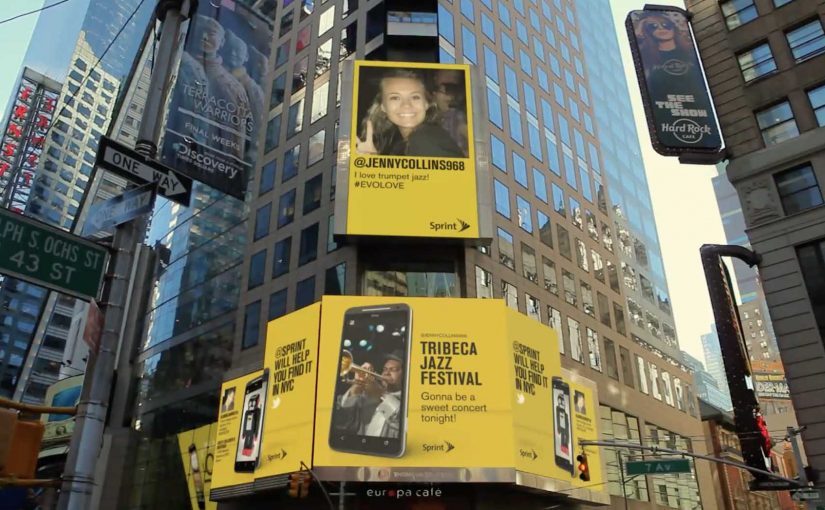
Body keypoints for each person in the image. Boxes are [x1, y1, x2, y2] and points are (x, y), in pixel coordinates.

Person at [356, 69, 464, 158]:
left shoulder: (424, 139)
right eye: (395, 97)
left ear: (426, 103)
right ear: (383, 106)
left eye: (415, 97)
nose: (406, 105)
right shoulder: (399, 142)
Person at [337, 352, 405, 439]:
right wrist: (356, 387)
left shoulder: (406, 402)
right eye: (385, 369)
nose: (386, 373)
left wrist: (381, 393)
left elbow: (401, 424)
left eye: (393, 369)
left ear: (404, 375)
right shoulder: (367, 395)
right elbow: (344, 422)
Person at [433, 69, 469, 157]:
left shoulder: (457, 116)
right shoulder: (432, 115)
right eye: (443, 92)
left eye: (454, 77)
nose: (449, 79)